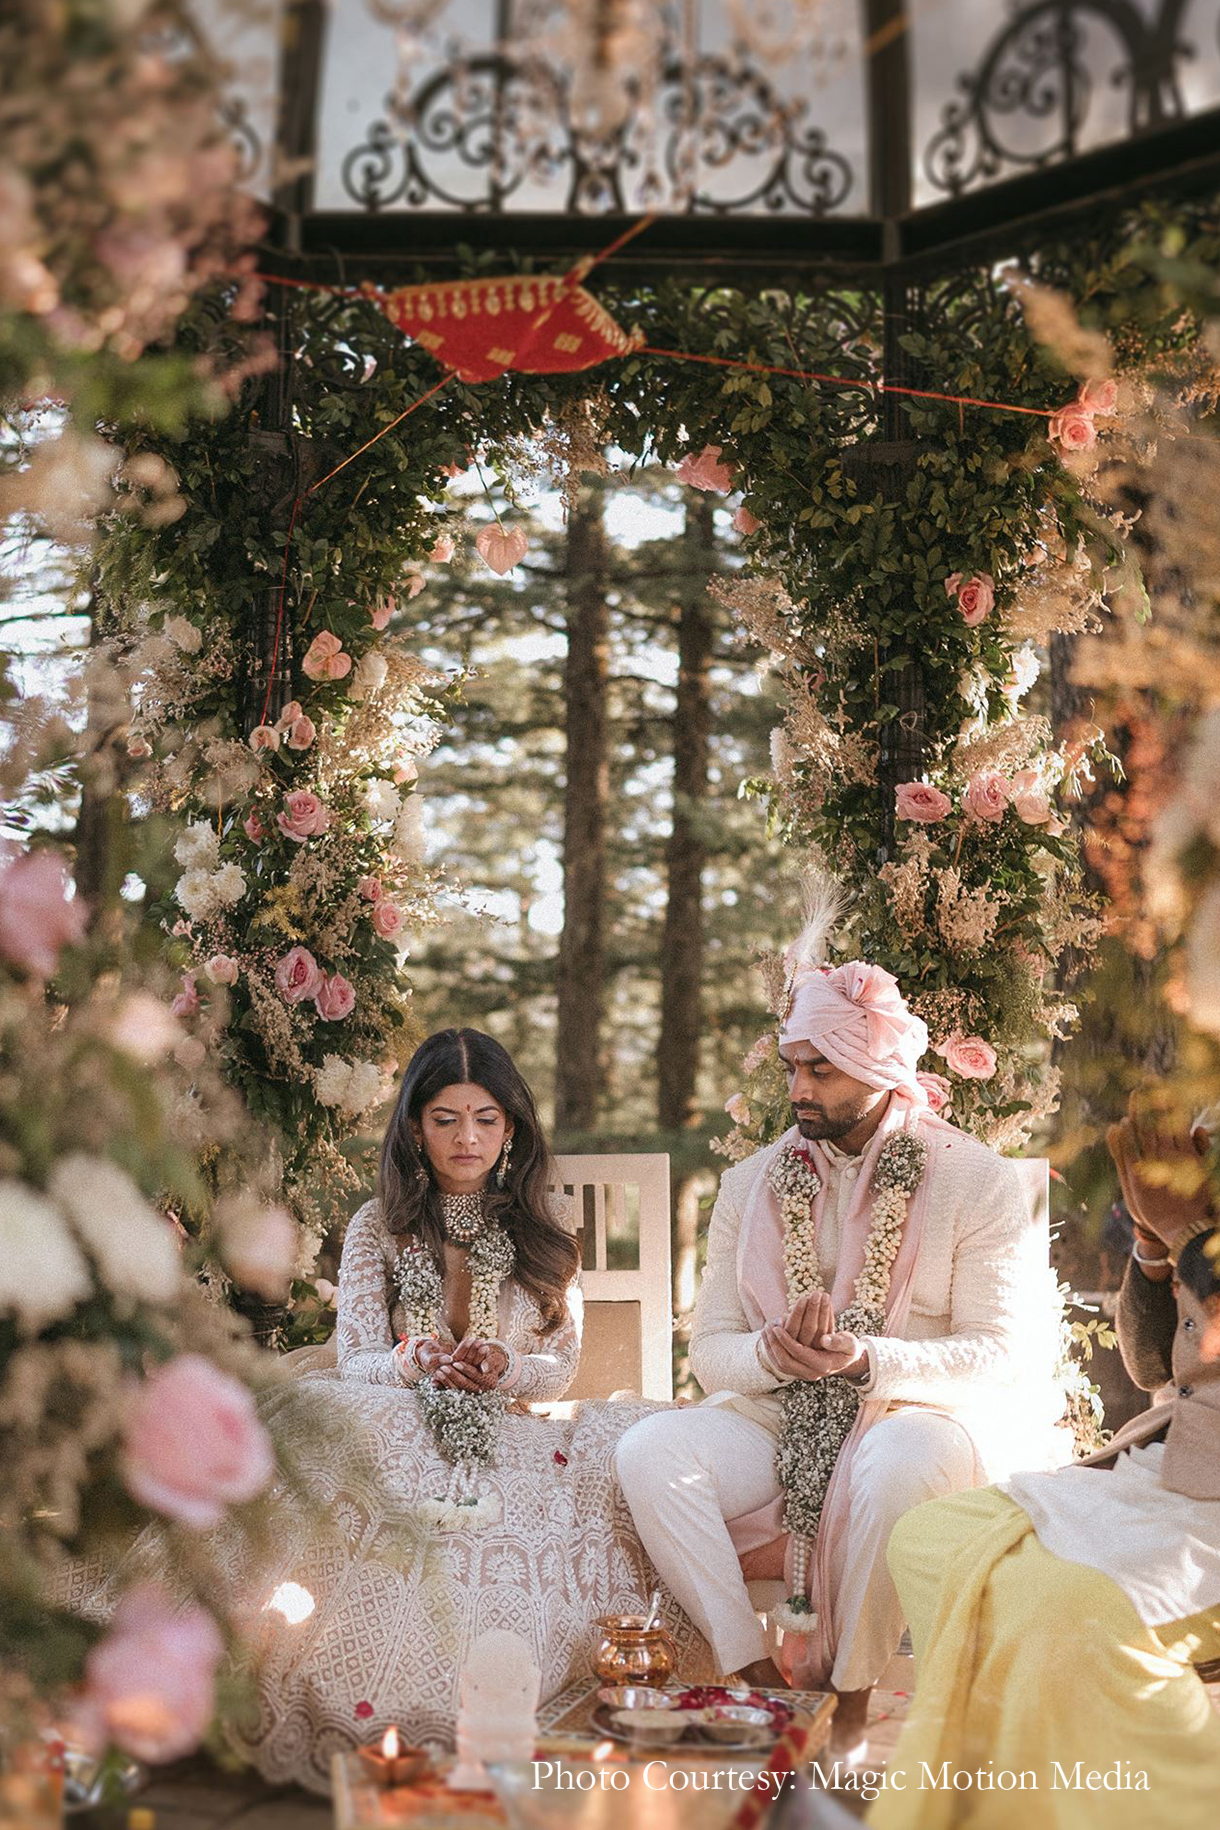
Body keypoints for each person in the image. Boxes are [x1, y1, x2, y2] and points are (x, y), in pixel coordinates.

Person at [222, 1028, 706, 1793]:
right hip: (398, 1410)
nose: (467, 1138)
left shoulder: (542, 1229)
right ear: (415, 1127)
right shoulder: (376, 1224)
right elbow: (355, 1359)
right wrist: (414, 1363)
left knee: (613, 1455)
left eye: (485, 1118)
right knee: (335, 1422)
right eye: (445, 1118)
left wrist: (504, 1366)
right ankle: (365, 1708)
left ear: (510, 1127)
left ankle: (509, 1715)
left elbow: (559, 1369)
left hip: (511, 1425)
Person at [614, 933, 1062, 1753]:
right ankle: (754, 1681)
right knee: (649, 1449)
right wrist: (772, 1355)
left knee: (895, 1464)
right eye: (792, 1068)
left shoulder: (975, 1179)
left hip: (910, 1411)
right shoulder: (752, 1183)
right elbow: (711, 1349)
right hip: (777, 1414)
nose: (799, 1089)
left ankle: (849, 1695)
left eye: (821, 1070)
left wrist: (865, 1359)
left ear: (881, 1071)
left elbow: (996, 1352)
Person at [868, 1094, 1220, 1829]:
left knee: (1067, 1609)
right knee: (931, 1538)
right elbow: (1155, 1361)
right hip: (1174, 1465)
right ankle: (984, 1789)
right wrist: (1155, 1247)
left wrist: (1187, 1231)